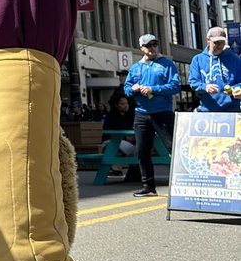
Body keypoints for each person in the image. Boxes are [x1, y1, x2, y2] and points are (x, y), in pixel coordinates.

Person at [124, 33, 179, 198]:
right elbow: (126, 89)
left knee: (173, 149)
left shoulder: (167, 64)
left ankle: (183, 185)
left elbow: (175, 86)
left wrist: (153, 89)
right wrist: (133, 89)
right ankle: (148, 186)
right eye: (148, 46)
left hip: (162, 112)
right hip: (141, 114)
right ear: (141, 48)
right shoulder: (135, 68)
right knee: (142, 151)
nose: (152, 48)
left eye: (154, 44)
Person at [188, 26, 241, 113]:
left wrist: (235, 89)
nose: (219, 45)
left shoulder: (235, 60)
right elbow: (193, 82)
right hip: (207, 111)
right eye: (216, 42)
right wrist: (205, 87)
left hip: (232, 110)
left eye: (222, 42)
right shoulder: (198, 60)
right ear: (208, 40)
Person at [101, 94, 139, 182]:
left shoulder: (130, 116)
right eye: (122, 104)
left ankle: (133, 174)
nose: (126, 105)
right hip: (111, 141)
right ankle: (131, 172)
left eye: (126, 103)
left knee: (139, 148)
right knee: (133, 150)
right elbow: (109, 132)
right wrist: (125, 137)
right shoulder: (111, 116)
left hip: (126, 141)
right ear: (116, 105)